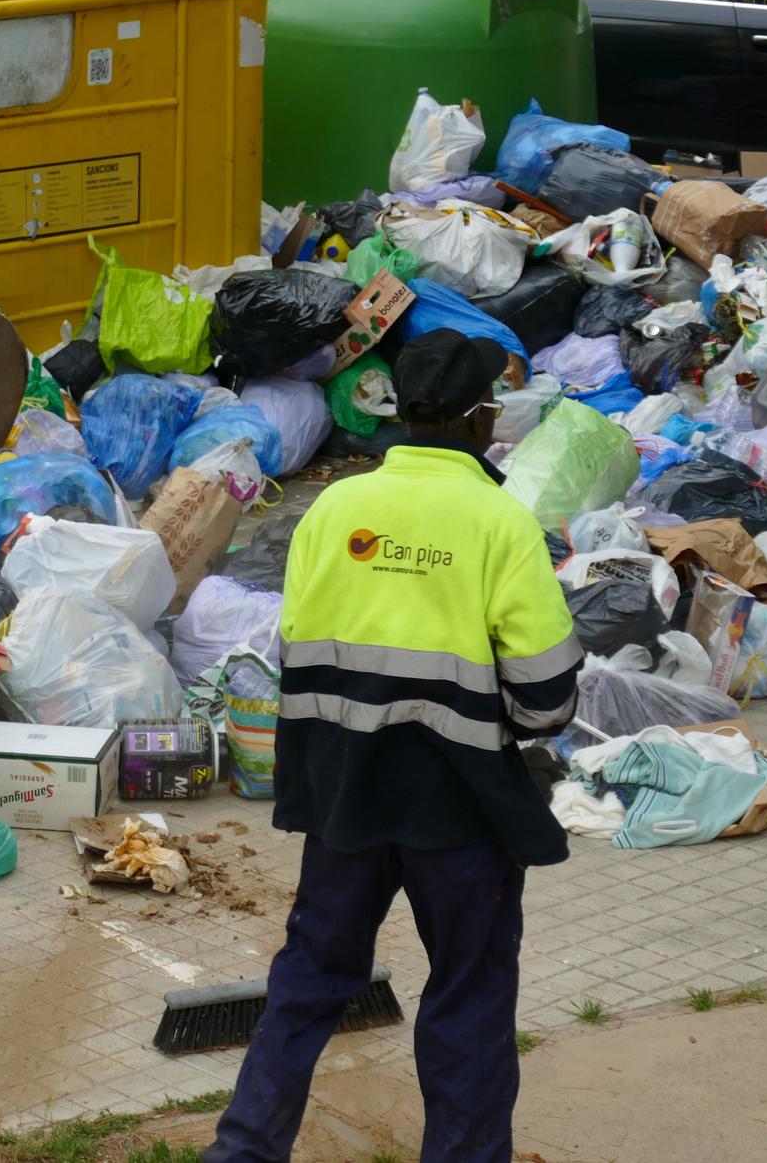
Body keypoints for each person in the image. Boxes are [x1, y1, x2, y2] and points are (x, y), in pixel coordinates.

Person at [205, 329, 584, 1163]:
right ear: (479, 418)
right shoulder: (499, 521)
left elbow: (295, 644)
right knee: (469, 997)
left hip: (344, 792)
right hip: (458, 806)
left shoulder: (334, 508)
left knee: (307, 981)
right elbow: (549, 697)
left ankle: (242, 1152)